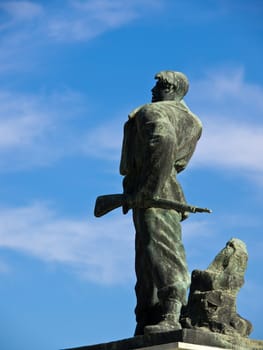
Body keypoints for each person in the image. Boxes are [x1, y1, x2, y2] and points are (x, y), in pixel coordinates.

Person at [120, 71, 202, 335]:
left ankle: (169, 314)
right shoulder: (193, 121)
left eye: (159, 85)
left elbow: (163, 140)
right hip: (163, 190)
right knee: (148, 255)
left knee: (160, 251)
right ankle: (149, 316)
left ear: (171, 87)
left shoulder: (151, 112)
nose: (153, 91)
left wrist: (148, 189)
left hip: (155, 191)